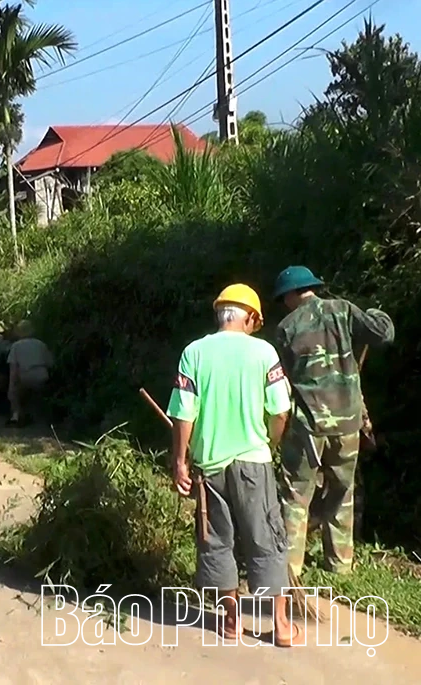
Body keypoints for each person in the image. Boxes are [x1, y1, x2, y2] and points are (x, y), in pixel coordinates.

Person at [166, 283, 297, 647]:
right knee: (266, 538)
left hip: (209, 467)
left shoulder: (194, 352)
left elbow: (182, 413)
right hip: (254, 463)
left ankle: (230, 620)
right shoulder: (264, 352)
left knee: (216, 541)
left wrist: (180, 461)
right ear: (250, 317)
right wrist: (270, 443)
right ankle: (281, 625)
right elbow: (280, 411)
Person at [272, 266, 395, 577]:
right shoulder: (343, 310)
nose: (284, 303)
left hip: (308, 425)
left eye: (283, 297)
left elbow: (283, 378)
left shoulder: (286, 327)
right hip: (347, 423)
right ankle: (340, 565)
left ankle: (290, 571)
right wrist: (375, 312)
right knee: (342, 492)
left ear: (291, 293)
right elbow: (384, 333)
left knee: (295, 495)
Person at [5, 320, 53, 426]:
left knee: (14, 393)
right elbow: (50, 364)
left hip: (26, 377)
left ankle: (16, 416)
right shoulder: (41, 344)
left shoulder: (16, 346)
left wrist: (11, 388)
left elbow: (13, 369)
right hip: (42, 376)